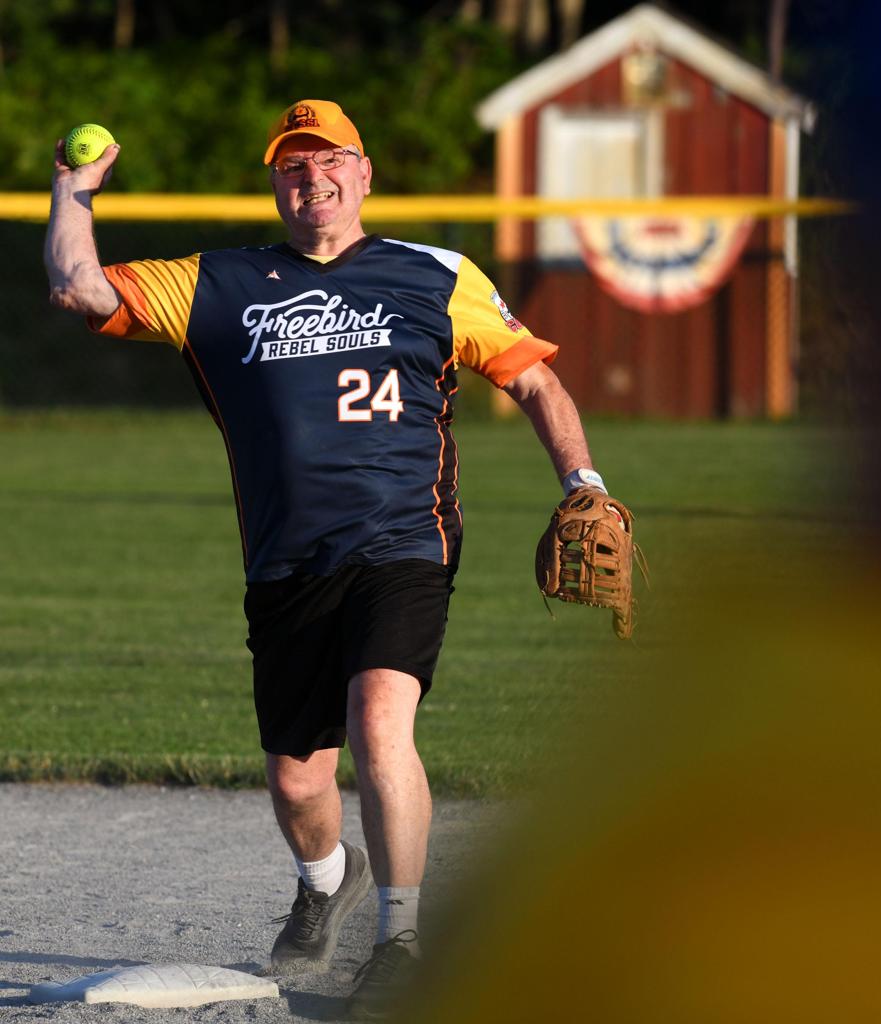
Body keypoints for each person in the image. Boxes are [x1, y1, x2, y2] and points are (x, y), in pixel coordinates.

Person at [44, 99, 610, 1018]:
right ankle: (326, 880)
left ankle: (401, 942)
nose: (314, 178)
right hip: (286, 562)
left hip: (405, 542)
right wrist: (74, 190)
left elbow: (535, 379)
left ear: (364, 172)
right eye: (293, 165)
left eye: (331, 160)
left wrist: (582, 479)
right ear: (275, 183)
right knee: (298, 781)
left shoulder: (436, 274)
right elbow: (80, 290)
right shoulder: (220, 283)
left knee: (381, 722)